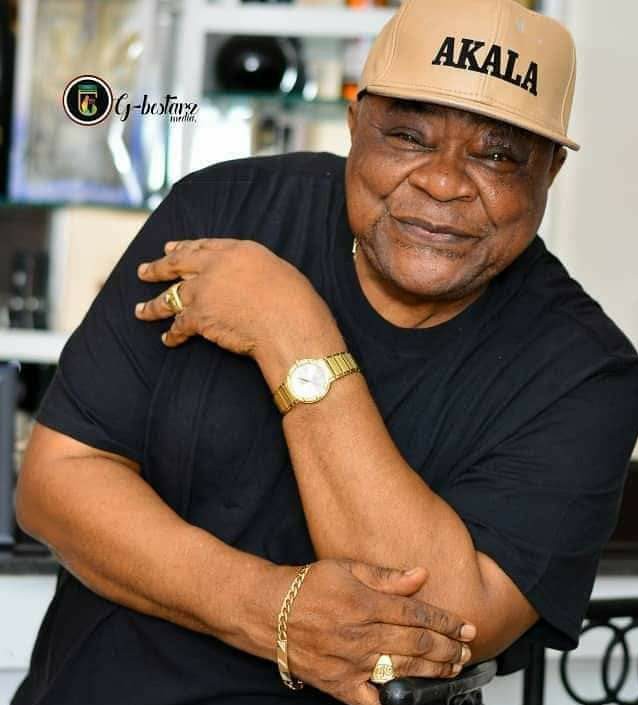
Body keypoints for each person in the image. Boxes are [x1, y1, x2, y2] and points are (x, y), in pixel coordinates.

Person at [12, 0, 638, 704]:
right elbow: (56, 481)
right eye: (407, 136)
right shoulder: (225, 211)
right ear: (355, 124)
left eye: (497, 155)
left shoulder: (584, 372)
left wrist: (292, 330)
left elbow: (439, 625)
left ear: (549, 171)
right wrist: (272, 610)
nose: (443, 182)